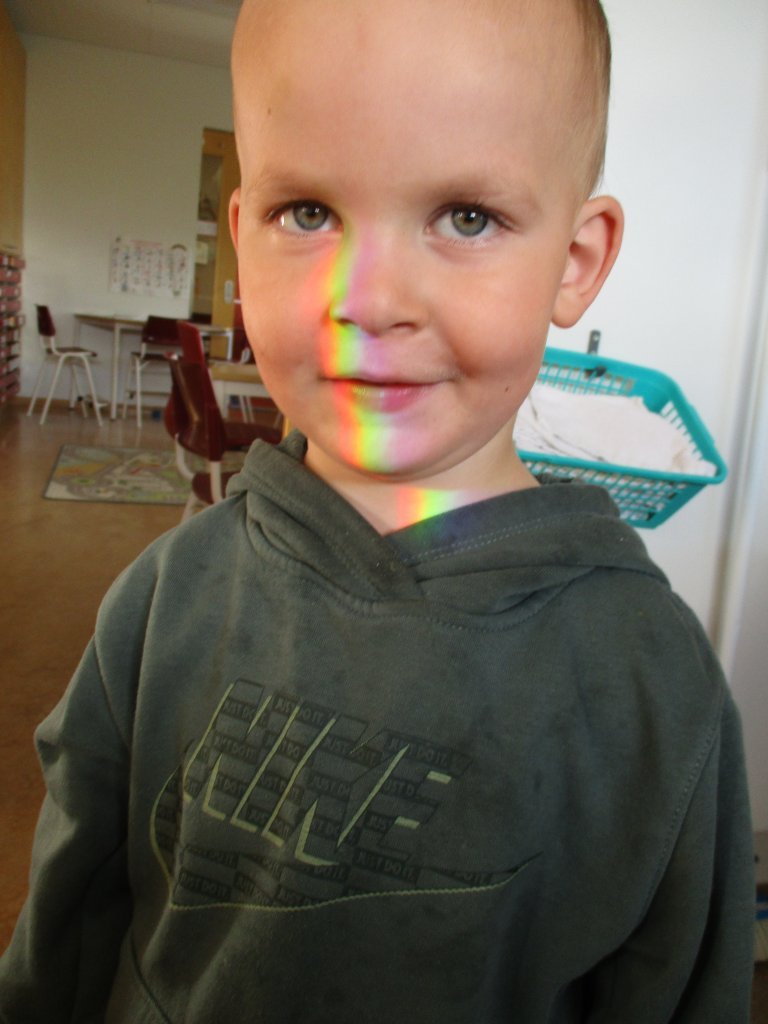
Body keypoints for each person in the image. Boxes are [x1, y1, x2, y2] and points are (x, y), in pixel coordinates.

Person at [0, 0, 755, 1020]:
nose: (371, 298)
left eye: (467, 217)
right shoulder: (162, 598)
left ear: (575, 263)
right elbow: (61, 944)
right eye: (308, 212)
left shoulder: (653, 683)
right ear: (242, 235)